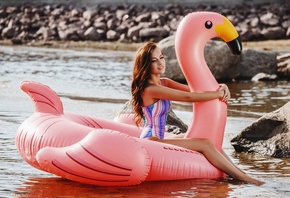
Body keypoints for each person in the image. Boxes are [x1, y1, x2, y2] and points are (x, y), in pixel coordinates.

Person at [130, 41, 264, 185]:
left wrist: (221, 86)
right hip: (151, 140)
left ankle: (238, 172)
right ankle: (242, 178)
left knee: (206, 137)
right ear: (145, 64)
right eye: (153, 60)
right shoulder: (149, 89)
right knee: (205, 144)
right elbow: (188, 97)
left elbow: (194, 90)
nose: (160, 63)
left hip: (159, 137)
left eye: (162, 57)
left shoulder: (164, 82)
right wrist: (218, 94)